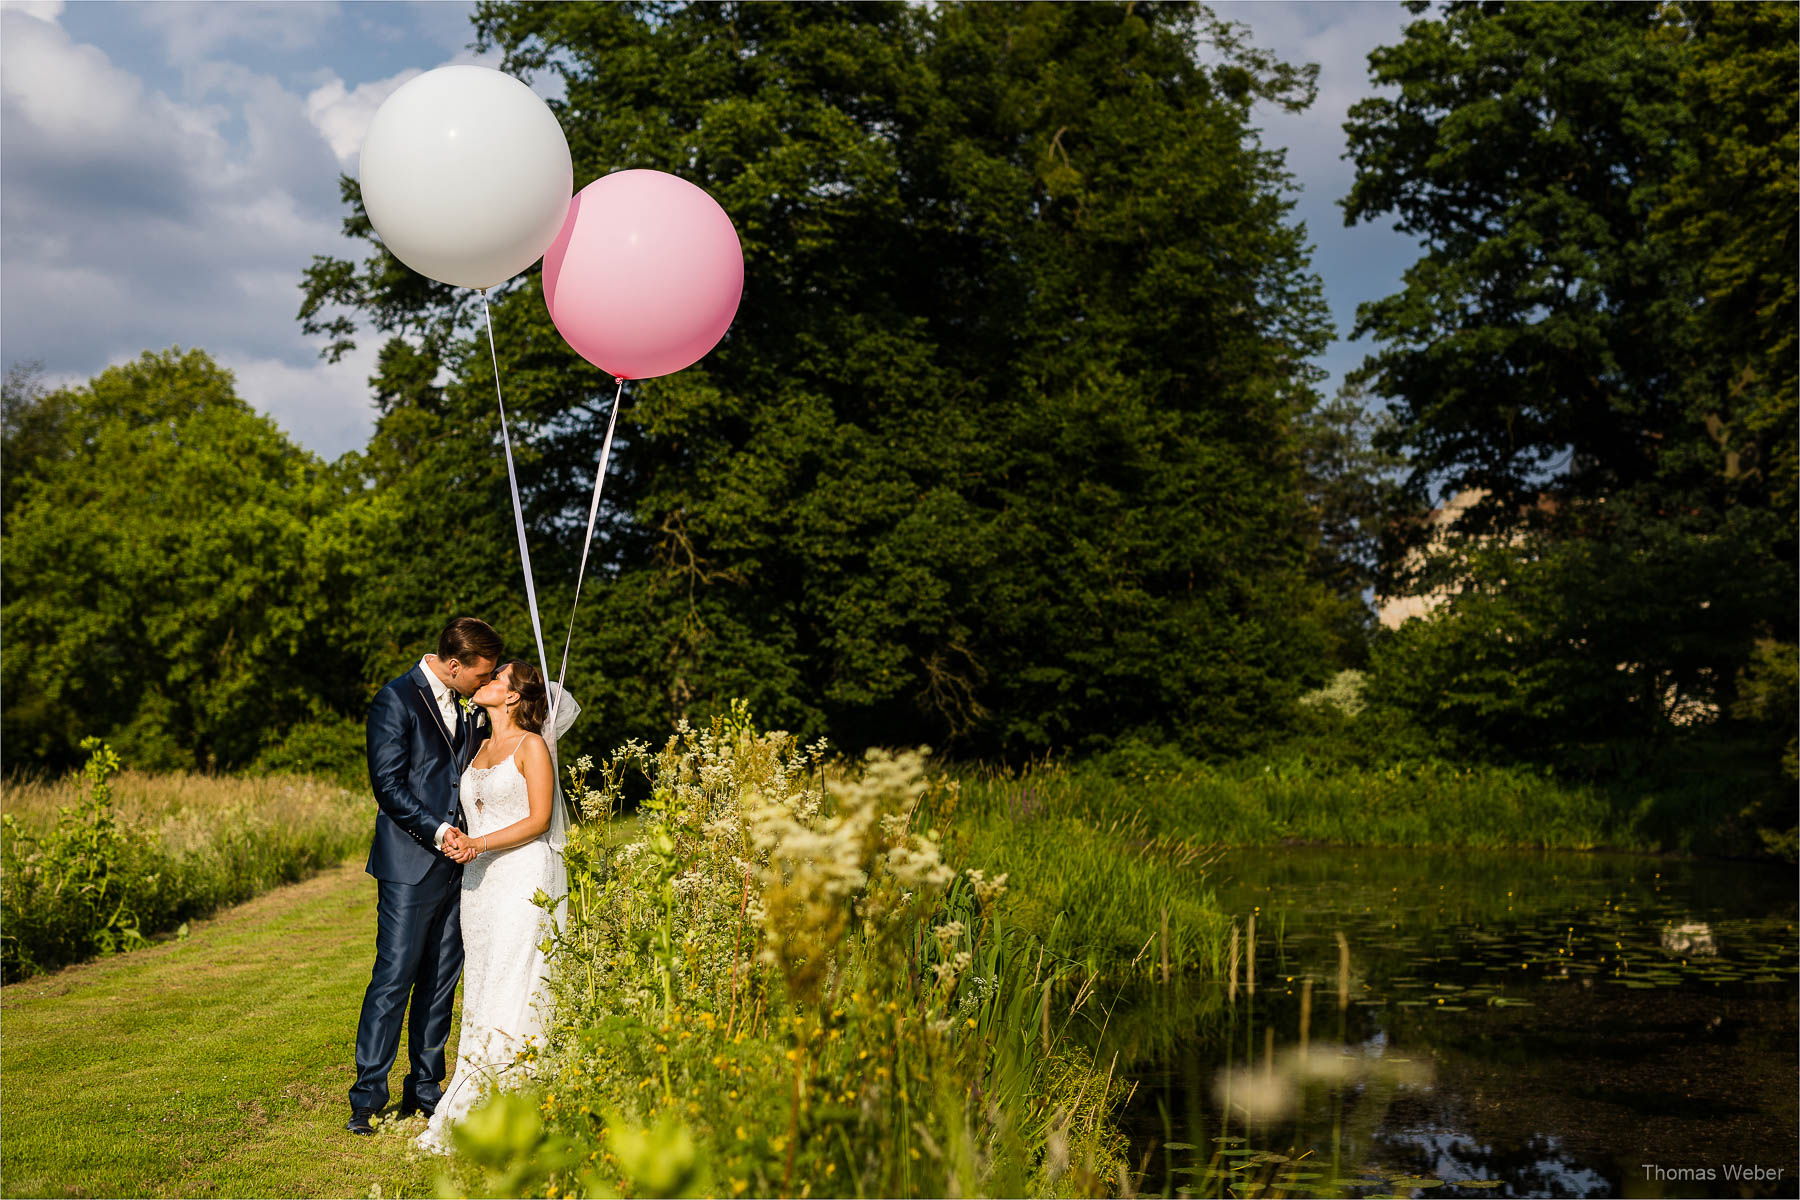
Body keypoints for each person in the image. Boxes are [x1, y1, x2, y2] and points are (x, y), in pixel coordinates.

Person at [347, 617, 502, 1136]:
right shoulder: (394, 699)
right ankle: (367, 1097)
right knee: (394, 979)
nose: (484, 686)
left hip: (465, 867)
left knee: (441, 981)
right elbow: (387, 786)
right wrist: (440, 832)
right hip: (411, 865)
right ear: (453, 665)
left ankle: (427, 1087)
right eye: (480, 677)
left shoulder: (471, 703)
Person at [416, 658, 571, 1155]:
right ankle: (477, 1083)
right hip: (478, 885)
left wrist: (479, 845)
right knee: (483, 984)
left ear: (511, 697)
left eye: (497, 678)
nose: (485, 682)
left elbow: (541, 820)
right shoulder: (480, 744)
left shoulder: (533, 748)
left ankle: (509, 1101)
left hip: (522, 877)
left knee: (515, 980)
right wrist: (462, 841)